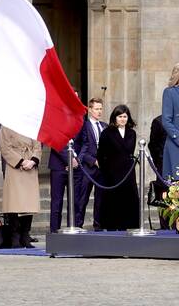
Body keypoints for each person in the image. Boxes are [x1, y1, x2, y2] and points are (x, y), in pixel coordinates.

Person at [97, 105, 140, 231]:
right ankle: (112, 226)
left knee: (129, 200)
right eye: (120, 116)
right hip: (112, 174)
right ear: (115, 118)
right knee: (113, 201)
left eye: (125, 116)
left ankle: (129, 225)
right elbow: (101, 154)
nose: (122, 119)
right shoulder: (107, 132)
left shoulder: (132, 133)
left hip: (128, 173)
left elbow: (130, 152)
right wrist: (106, 171)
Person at [0, 126, 41, 248]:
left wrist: (33, 161)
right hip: (15, 167)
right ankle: (15, 236)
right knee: (14, 204)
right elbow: (5, 148)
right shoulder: (6, 126)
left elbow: (38, 145)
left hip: (30, 167)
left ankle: (25, 235)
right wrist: (21, 161)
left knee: (29, 204)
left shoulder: (31, 124)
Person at [76, 98, 107, 230]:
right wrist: (93, 160)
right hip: (88, 167)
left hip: (102, 169)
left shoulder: (105, 126)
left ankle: (98, 226)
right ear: (90, 110)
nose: (99, 112)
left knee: (100, 199)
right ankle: (78, 225)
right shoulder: (84, 125)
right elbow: (82, 146)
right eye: (96, 109)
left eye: (100, 109)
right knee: (83, 198)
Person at [48, 144, 81, 233]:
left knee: (75, 202)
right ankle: (54, 232)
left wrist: (77, 160)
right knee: (56, 203)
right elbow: (56, 143)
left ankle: (73, 231)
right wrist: (70, 160)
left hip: (76, 167)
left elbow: (85, 143)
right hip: (58, 167)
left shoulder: (81, 128)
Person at [147, 115, 169, 229]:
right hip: (163, 166)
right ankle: (165, 227)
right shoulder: (158, 121)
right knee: (163, 198)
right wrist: (159, 161)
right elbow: (153, 145)